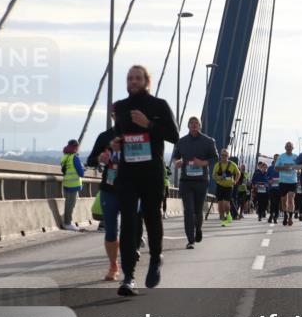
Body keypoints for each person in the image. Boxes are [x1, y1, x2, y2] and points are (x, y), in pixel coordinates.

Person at [111, 64, 178, 296]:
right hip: (128, 174)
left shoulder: (159, 105)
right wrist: (116, 142)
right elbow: (118, 134)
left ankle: (156, 257)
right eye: (130, 78)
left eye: (138, 78)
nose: (133, 82)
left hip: (152, 174)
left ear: (147, 81)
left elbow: (174, 136)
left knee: (152, 218)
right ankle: (129, 277)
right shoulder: (120, 107)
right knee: (128, 224)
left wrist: (148, 124)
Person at [171, 116, 217, 248]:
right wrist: (176, 162)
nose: (194, 124)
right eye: (191, 123)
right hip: (186, 181)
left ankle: (198, 229)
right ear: (188, 125)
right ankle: (190, 239)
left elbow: (215, 159)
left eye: (196, 123)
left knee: (197, 210)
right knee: (188, 210)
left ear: (200, 126)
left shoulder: (208, 141)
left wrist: (202, 163)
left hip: (201, 181)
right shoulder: (181, 141)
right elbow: (175, 157)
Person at [90, 135, 122, 279]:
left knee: (131, 229)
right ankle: (113, 265)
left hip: (132, 190)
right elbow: (90, 160)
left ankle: (129, 269)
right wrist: (99, 158)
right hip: (109, 190)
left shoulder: (137, 133)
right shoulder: (105, 137)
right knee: (111, 231)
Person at [59, 139, 85, 230]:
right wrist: (83, 169)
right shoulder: (74, 157)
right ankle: (67, 223)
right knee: (70, 204)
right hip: (73, 185)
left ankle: (68, 221)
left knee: (68, 203)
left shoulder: (65, 157)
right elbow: (81, 173)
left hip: (66, 183)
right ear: (76, 147)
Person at [212, 150, 240, 227]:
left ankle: (228, 215)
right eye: (222, 155)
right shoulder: (217, 165)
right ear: (220, 156)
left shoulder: (232, 164)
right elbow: (213, 176)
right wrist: (219, 177)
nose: (224, 157)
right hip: (220, 186)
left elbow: (238, 173)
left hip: (229, 187)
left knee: (226, 205)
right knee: (220, 204)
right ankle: (223, 219)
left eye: (225, 155)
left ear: (228, 156)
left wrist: (235, 181)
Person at [276, 143, 299, 226]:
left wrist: (295, 167)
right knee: (283, 200)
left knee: (291, 199)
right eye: (287, 146)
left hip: (293, 181)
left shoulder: (296, 157)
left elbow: (299, 167)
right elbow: (276, 168)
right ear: (285, 147)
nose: (289, 147)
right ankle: (285, 215)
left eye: (290, 146)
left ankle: (290, 217)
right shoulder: (281, 156)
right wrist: (284, 168)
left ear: (293, 148)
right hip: (283, 181)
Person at [267, 155, 281, 224]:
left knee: (277, 203)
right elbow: (266, 176)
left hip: (279, 188)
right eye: (275, 159)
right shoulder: (270, 168)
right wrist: (269, 180)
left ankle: (276, 217)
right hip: (272, 188)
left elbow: (285, 176)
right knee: (272, 202)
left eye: (277, 159)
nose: (276, 160)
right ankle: (271, 215)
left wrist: (281, 180)